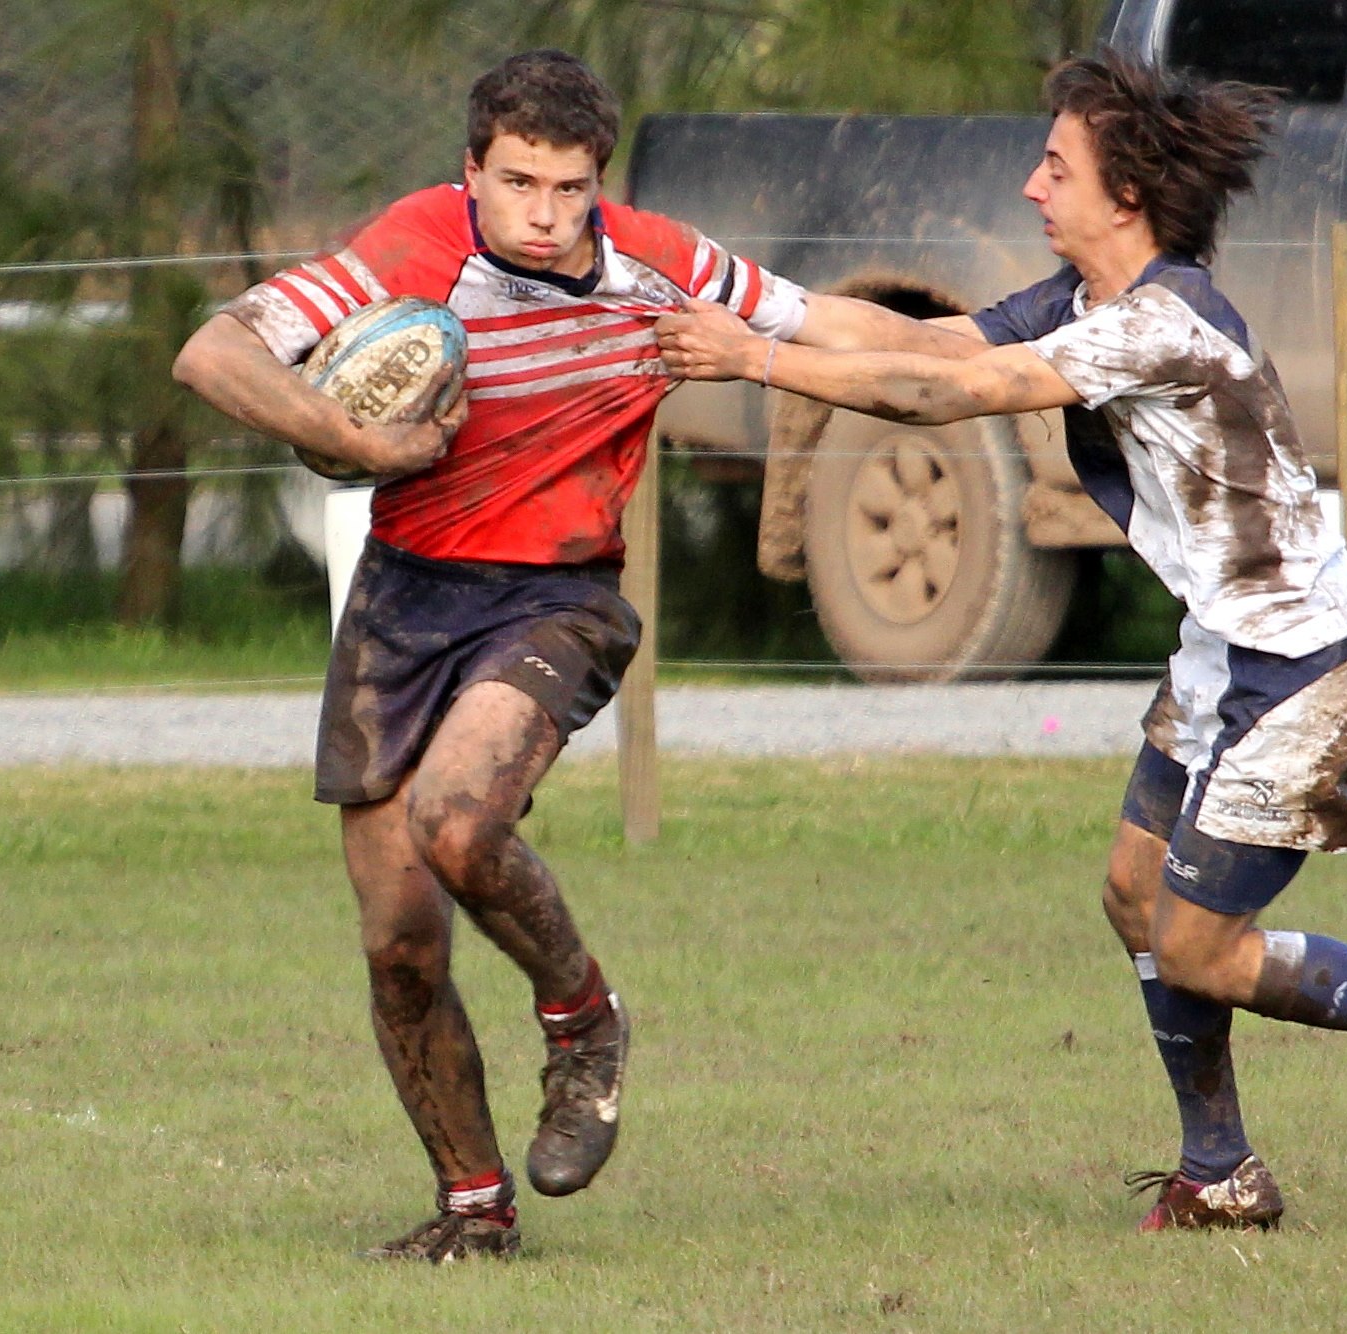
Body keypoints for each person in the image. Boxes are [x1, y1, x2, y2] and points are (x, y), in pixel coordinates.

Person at [657, 49, 1347, 1231]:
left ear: (1122, 195)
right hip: (1219, 656)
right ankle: (1219, 1168)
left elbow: (949, 399)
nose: (1032, 186)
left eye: (1054, 166)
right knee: (1134, 894)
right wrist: (736, 296)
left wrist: (755, 364)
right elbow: (927, 345)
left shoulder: (1161, 323)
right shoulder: (1086, 307)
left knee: (1195, 945)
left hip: (1305, 678)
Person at [173, 48, 957, 1262]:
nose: (542, 214)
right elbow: (212, 356)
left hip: (554, 597)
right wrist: (350, 439)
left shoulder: (658, 263)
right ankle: (474, 1209)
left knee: (457, 820)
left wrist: (1002, 335)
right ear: (471, 169)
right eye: (518, 183)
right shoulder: (414, 243)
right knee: (397, 943)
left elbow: (830, 320)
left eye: (569, 188)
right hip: (403, 599)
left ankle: (584, 1019)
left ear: (599, 181)